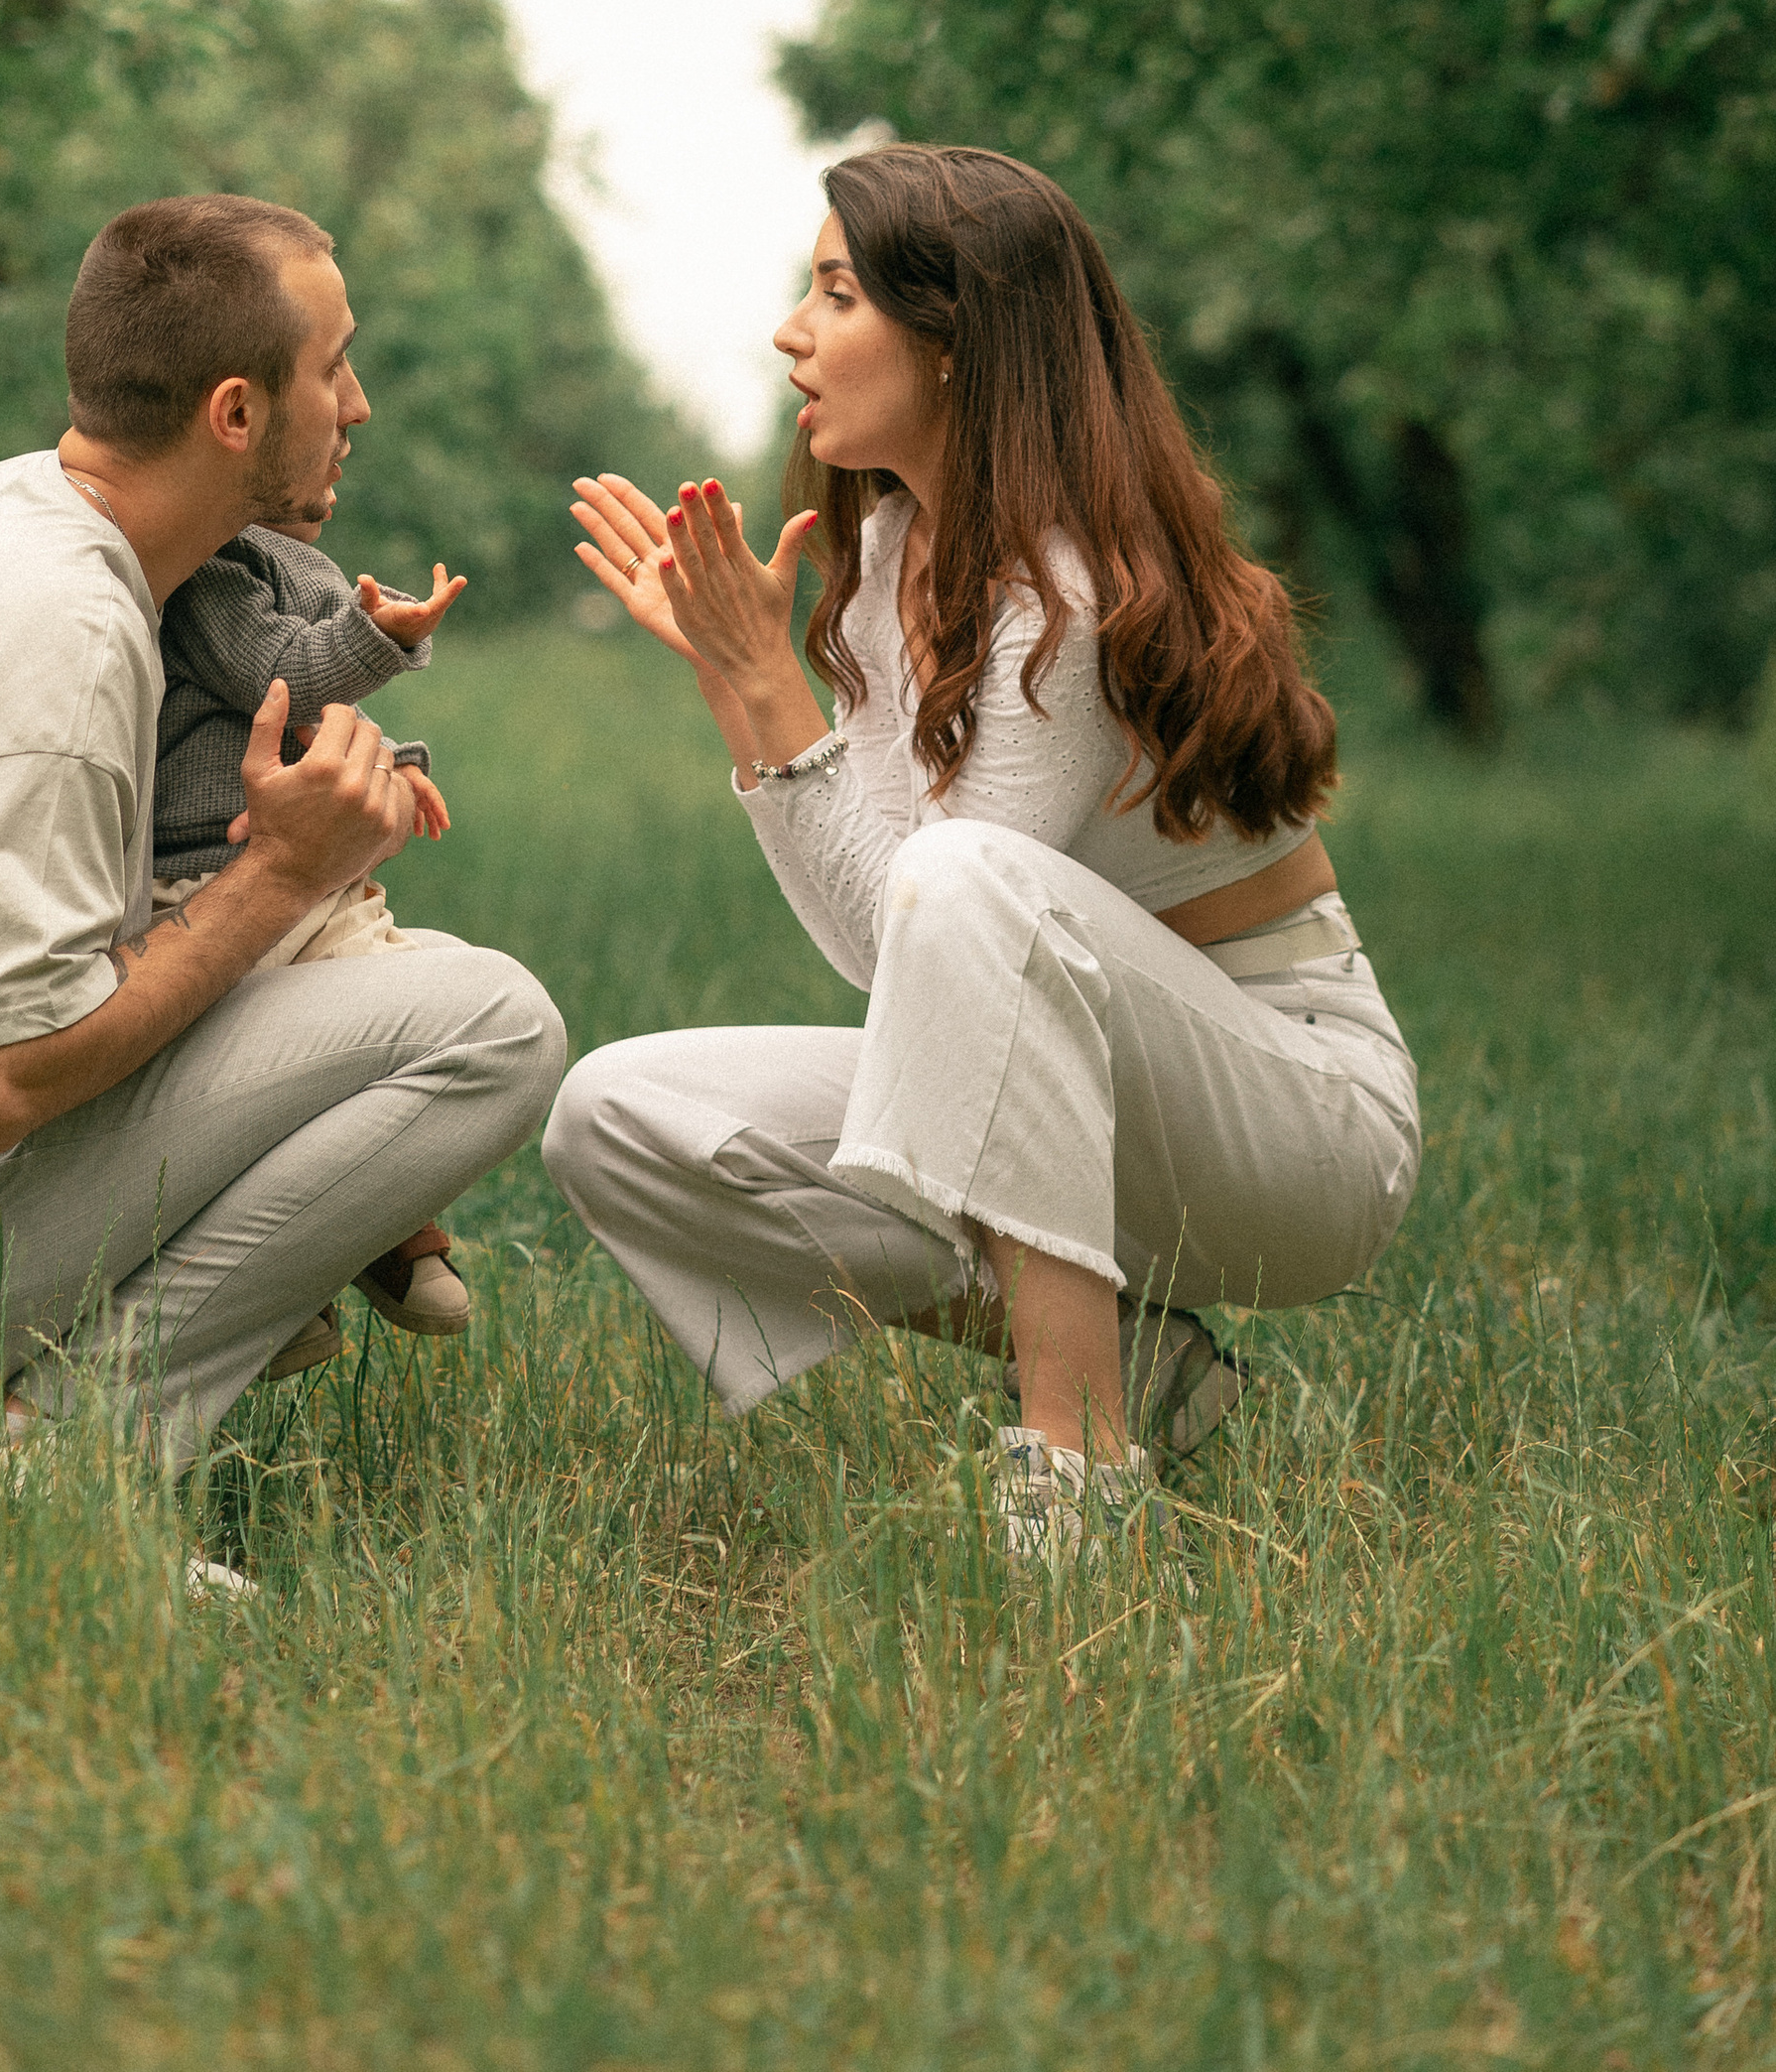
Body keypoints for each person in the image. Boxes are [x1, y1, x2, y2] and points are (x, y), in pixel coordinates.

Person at [543, 144, 1421, 1562]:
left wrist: (769, 688)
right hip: (1094, 1103)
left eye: (836, 295)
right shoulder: (897, 557)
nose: (792, 334)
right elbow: (899, 959)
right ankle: (1149, 1365)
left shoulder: (1066, 588)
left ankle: (1074, 1473)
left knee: (963, 882)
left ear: (957, 341)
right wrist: (741, 678)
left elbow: (941, 912)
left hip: (1293, 1124)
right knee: (620, 1116)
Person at [0, 191, 564, 1484]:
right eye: (335, 364)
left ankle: (51, 1446)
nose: (360, 403)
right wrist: (282, 875)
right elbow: (1, 1082)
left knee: (394, 988)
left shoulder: (34, 526)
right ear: (236, 412)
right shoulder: (50, 629)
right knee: (490, 1024)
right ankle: (54, 1475)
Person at [152, 514, 476, 1366]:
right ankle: (287, 1266)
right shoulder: (209, 566)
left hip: (301, 868)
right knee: (298, 1046)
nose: (349, 422)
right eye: (331, 384)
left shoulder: (290, 559)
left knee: (385, 983)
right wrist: (377, 634)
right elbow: (280, 678)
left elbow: (320, 719)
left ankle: (362, 1224)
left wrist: (392, 760)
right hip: (208, 872)